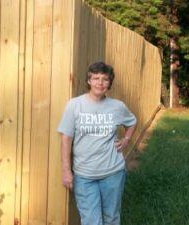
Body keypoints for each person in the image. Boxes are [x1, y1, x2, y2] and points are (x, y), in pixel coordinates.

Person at [57, 62, 137, 225]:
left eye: (105, 79)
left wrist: (126, 139)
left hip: (113, 173)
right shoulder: (75, 105)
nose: (100, 83)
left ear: (110, 83)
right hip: (84, 176)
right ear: (89, 81)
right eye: (96, 78)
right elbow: (66, 138)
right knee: (91, 221)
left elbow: (132, 122)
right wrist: (66, 170)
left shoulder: (117, 106)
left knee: (111, 218)